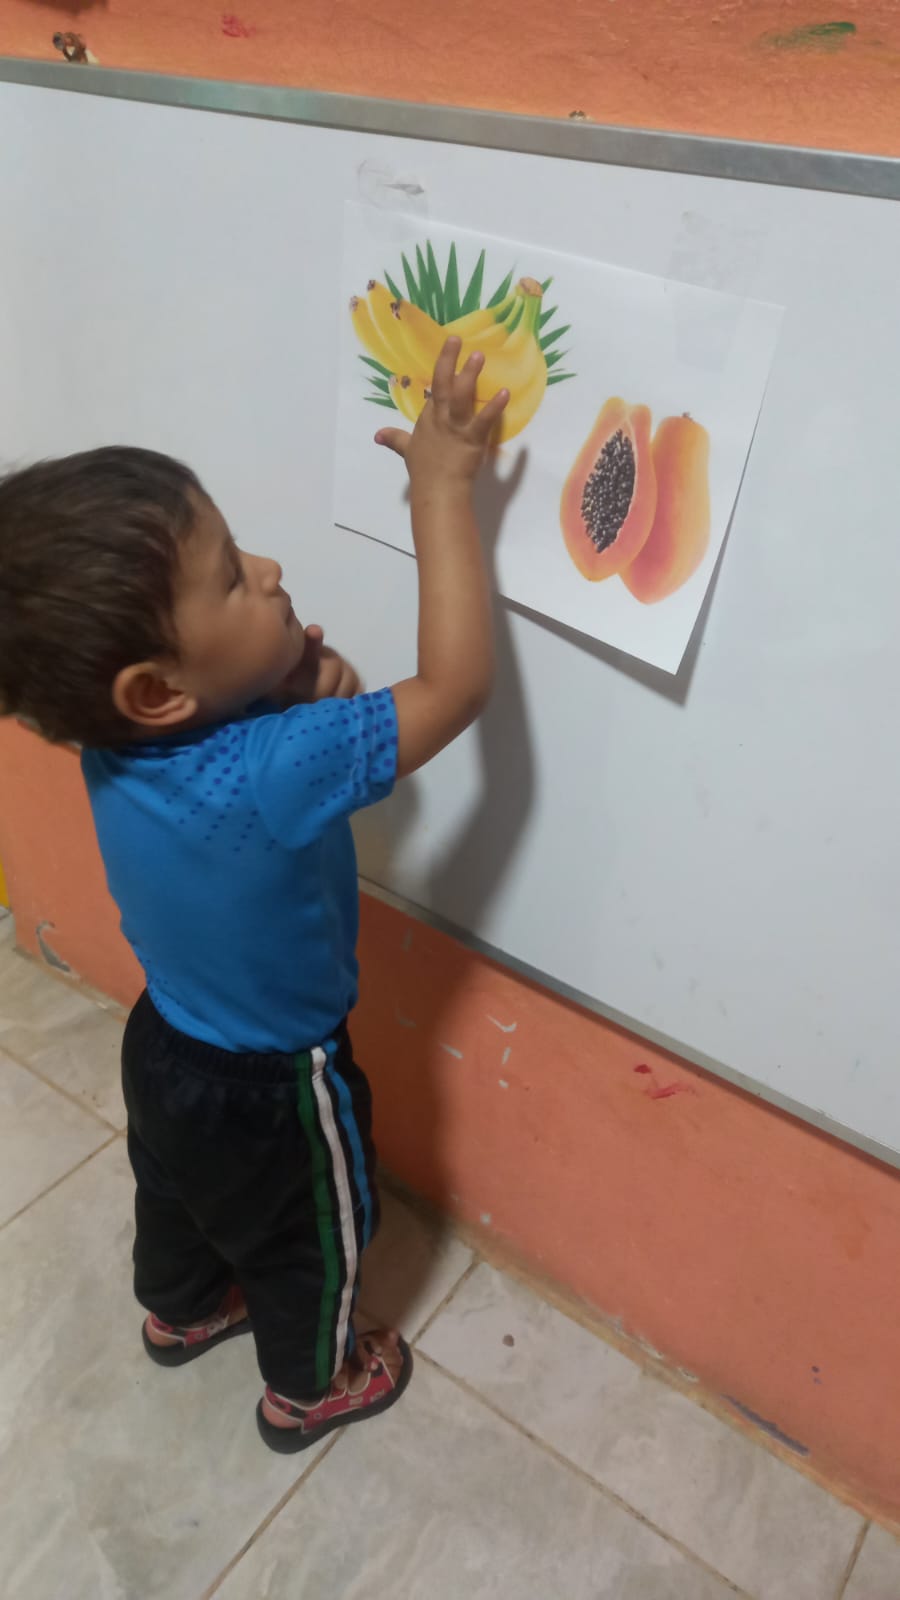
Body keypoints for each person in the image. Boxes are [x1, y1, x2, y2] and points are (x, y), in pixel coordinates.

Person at [0, 340, 508, 1452]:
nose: (271, 570)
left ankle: (181, 1312)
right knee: (310, 1239)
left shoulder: (105, 739)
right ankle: (311, 1386)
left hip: (165, 1045)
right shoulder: (277, 766)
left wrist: (283, 685)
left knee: (177, 1193)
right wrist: (440, 487)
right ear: (157, 689)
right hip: (280, 1085)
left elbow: (224, 755)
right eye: (231, 574)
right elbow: (456, 684)